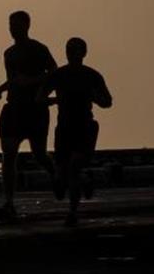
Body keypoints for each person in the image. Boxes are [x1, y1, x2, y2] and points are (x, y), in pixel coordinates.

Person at [37, 37, 112, 227]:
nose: (71, 53)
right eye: (69, 49)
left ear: (84, 53)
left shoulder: (92, 75)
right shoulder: (58, 75)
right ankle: (85, 181)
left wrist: (93, 96)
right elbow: (39, 98)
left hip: (84, 125)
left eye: (75, 50)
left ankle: (72, 212)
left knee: (73, 167)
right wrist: (55, 101)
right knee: (62, 177)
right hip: (64, 127)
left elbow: (107, 101)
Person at [0, 10, 58, 221]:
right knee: (8, 155)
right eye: (10, 25)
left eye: (16, 25)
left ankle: (57, 176)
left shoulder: (39, 49)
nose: (12, 29)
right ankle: (8, 202)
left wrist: (33, 82)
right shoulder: (8, 53)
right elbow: (13, 79)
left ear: (27, 26)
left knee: (39, 154)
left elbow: (54, 73)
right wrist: (1, 89)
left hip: (35, 109)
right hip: (13, 108)